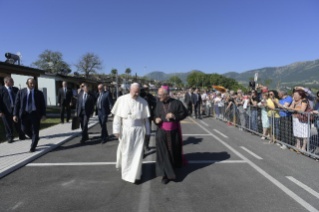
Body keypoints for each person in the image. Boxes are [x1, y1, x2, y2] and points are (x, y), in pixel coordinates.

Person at [112, 83, 151, 183]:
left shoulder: (143, 102)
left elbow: (146, 120)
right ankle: (126, 174)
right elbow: (117, 117)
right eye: (135, 92)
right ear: (129, 89)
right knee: (126, 152)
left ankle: (136, 174)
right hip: (126, 130)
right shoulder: (121, 99)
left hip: (138, 131)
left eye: (138, 92)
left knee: (137, 153)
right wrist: (116, 130)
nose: (137, 94)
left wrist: (148, 132)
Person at [154, 86, 188, 184]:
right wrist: (156, 119)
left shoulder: (177, 103)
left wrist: (174, 116)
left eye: (160, 95)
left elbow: (184, 113)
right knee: (162, 153)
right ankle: (165, 174)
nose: (158, 97)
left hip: (173, 132)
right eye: (158, 95)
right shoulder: (157, 104)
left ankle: (171, 171)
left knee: (172, 152)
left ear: (167, 94)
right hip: (161, 132)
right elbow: (154, 115)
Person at [13, 78, 46, 152]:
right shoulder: (21, 92)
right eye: (31, 83)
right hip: (25, 114)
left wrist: (43, 114)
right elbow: (17, 104)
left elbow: (42, 105)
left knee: (35, 131)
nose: (33, 85)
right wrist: (15, 114)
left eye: (34, 83)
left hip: (35, 114)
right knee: (24, 129)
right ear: (27, 83)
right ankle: (35, 138)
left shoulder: (39, 93)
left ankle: (33, 146)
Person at [0, 76, 25, 143]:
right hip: (6, 110)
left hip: (16, 109)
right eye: (11, 81)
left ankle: (22, 135)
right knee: (8, 124)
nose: (13, 82)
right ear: (6, 82)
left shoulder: (15, 89)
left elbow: (20, 99)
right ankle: (10, 137)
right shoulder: (1, 90)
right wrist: (1, 111)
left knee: (18, 122)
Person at [142, 84, 156, 151]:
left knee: (148, 131)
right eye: (144, 88)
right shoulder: (139, 95)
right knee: (141, 132)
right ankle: (141, 148)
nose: (145, 89)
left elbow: (154, 104)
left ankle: (146, 145)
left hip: (148, 116)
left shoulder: (150, 96)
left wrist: (153, 114)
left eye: (146, 88)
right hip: (140, 117)